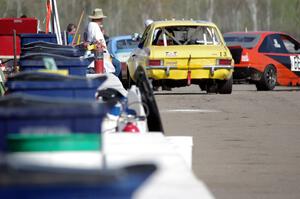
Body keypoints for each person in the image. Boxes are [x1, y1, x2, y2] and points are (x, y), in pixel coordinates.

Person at [85, 8, 120, 76]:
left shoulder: (90, 25)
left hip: (97, 53)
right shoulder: (94, 26)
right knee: (117, 64)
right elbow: (99, 41)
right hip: (100, 54)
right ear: (100, 19)